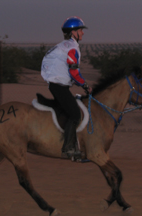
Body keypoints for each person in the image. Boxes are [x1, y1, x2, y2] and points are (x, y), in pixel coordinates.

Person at [41, 16, 92, 159]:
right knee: (75, 114)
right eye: (80, 30)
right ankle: (68, 147)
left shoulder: (63, 46)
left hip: (57, 85)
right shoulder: (72, 48)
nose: (83, 33)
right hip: (59, 86)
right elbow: (74, 71)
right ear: (73, 32)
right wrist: (85, 85)